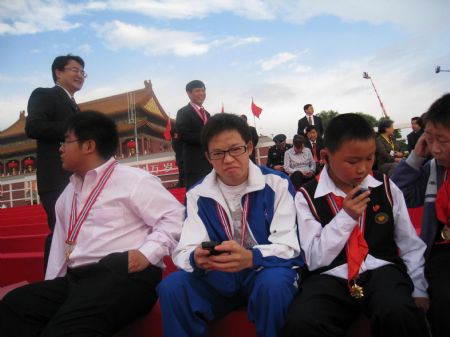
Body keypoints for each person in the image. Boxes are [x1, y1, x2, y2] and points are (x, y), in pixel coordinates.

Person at [0, 111, 184, 337]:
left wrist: (147, 253)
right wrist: (52, 289)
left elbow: (174, 217)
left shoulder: (135, 180)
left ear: (88, 145)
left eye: (66, 141)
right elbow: (60, 247)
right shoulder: (67, 195)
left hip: (125, 275)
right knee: (15, 304)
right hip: (77, 279)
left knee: (66, 331)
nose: (60, 148)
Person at [283, 113, 429, 337]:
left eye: (369, 158)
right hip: (330, 275)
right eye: (352, 161)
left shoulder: (385, 186)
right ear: (326, 156)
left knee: (399, 311)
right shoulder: (306, 196)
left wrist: (419, 287)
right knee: (302, 322)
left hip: (380, 269)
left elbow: (409, 242)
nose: (362, 169)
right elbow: (314, 259)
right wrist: (346, 216)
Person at [158, 113, 303, 337]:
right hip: (220, 275)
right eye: (218, 153)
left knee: (273, 286)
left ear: (249, 147)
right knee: (173, 287)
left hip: (264, 270)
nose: (227, 159)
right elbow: (184, 250)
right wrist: (195, 258)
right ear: (208, 156)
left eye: (235, 149)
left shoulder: (277, 184)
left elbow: (290, 246)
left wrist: (250, 258)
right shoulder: (198, 193)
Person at [391, 93, 450, 337]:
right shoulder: (434, 169)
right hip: (441, 252)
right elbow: (398, 193)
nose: (434, 149)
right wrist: (416, 156)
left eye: (442, 141)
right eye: (430, 139)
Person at [25, 54, 86, 271]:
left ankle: (69, 277)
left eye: (83, 72)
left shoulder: (73, 104)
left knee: (72, 230)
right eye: (75, 70)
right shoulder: (45, 94)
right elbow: (33, 126)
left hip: (74, 178)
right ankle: (51, 280)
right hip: (55, 178)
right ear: (58, 73)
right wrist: (76, 130)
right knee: (60, 230)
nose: (80, 75)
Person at [175, 80, 212, 189]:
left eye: (203, 90)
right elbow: (184, 134)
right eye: (197, 90)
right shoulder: (183, 112)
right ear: (189, 93)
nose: (201, 93)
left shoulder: (207, 114)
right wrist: (207, 139)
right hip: (194, 162)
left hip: (210, 162)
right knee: (194, 194)